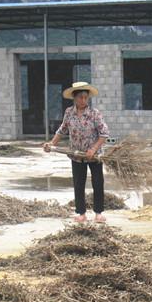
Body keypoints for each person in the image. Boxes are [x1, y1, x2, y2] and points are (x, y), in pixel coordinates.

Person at [43, 82, 109, 223]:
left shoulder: (94, 114)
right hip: (76, 154)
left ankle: (98, 213)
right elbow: (62, 130)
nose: (83, 100)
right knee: (79, 183)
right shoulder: (69, 113)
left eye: (86, 97)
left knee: (98, 183)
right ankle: (81, 213)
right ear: (74, 98)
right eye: (80, 97)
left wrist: (93, 149)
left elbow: (104, 134)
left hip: (94, 155)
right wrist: (51, 144)